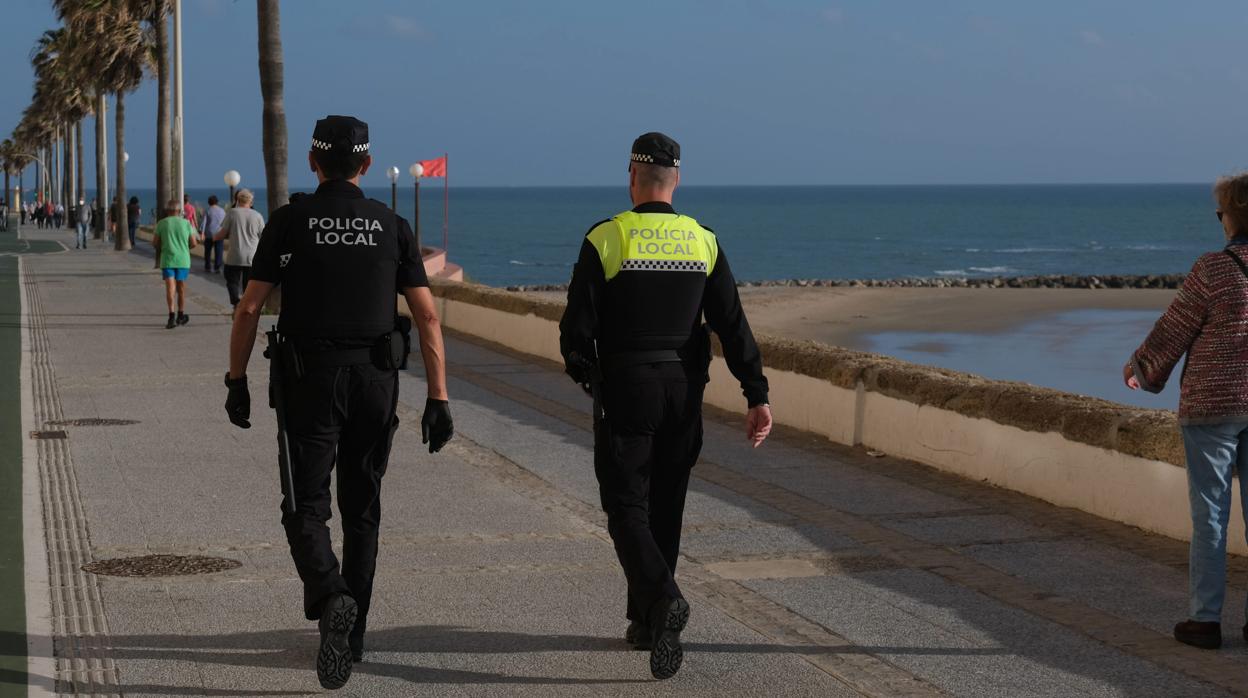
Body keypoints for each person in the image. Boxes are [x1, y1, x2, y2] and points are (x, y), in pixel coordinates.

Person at [222, 115, 454, 690]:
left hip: (308, 381)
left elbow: (249, 307)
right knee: (363, 506)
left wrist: (236, 380)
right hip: (377, 379)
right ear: (368, 166)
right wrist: (439, 397)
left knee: (305, 505)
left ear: (312, 161)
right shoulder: (392, 225)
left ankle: (331, 597)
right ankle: (352, 635)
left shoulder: (289, 221)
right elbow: (426, 314)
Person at [559, 132, 773, 680]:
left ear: (632, 177)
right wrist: (756, 393)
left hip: (628, 387)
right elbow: (732, 324)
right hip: (684, 390)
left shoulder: (606, 238)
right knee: (667, 506)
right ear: (676, 181)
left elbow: (575, 332)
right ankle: (648, 625)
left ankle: (662, 600)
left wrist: (590, 378)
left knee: (626, 507)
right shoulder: (703, 240)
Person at [1125, 172, 1248, 651]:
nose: (1220, 220)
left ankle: (1205, 621)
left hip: (1213, 409)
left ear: (1233, 216)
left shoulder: (1213, 270)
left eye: (1222, 212)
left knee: (1211, 515)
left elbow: (1173, 329)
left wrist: (1140, 368)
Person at [152, 199, 199, 328]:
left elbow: (155, 243)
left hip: (167, 259)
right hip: (183, 260)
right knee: (181, 289)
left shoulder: (161, 223)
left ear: (167, 210)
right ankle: (181, 315)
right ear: (179, 211)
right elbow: (194, 243)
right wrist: (184, 247)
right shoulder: (186, 223)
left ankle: (171, 316)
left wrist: (165, 247)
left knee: (170, 288)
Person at [215, 188, 264, 310]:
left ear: (237, 200)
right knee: (248, 285)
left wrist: (213, 237)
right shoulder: (257, 215)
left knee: (232, 281)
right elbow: (263, 236)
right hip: (252, 256)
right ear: (251, 202)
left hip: (235, 255)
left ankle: (236, 302)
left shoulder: (232, 213)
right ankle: (246, 306)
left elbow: (222, 233)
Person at [200, 195, 226, 273]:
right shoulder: (222, 211)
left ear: (209, 202)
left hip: (209, 234)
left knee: (207, 251)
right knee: (219, 251)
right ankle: (217, 267)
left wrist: (202, 233)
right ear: (217, 202)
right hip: (219, 234)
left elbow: (203, 223)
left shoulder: (208, 210)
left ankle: (207, 267)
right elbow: (225, 223)